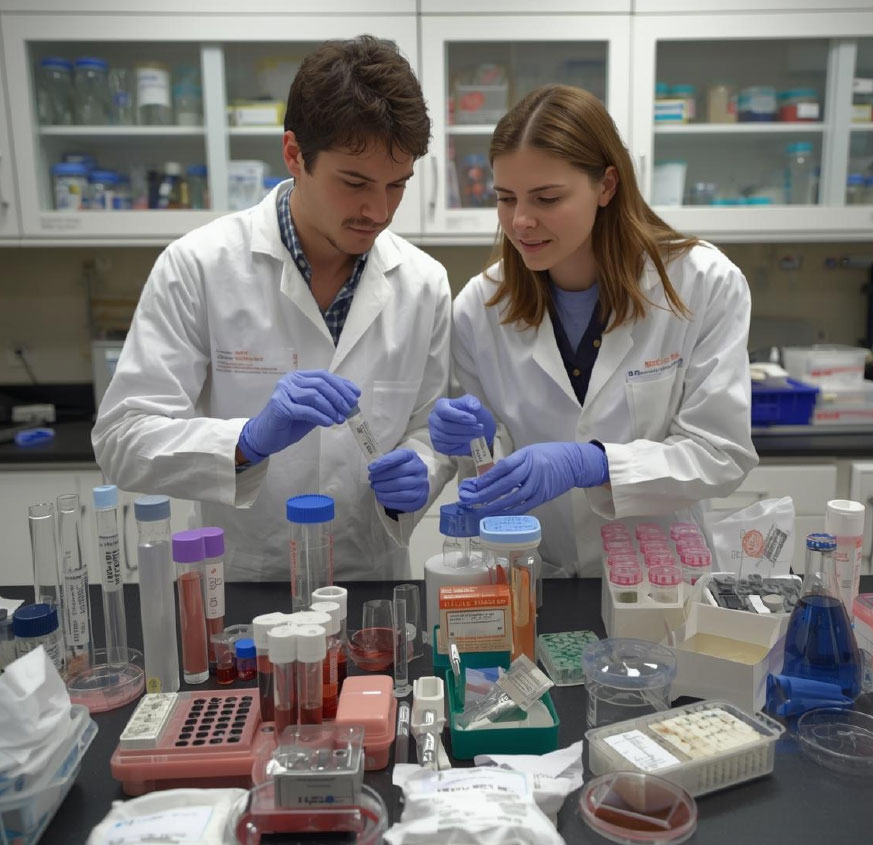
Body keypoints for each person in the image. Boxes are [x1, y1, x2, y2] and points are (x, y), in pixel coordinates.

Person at [93, 36, 454, 580]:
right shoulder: (199, 265)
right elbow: (122, 437)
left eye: (396, 185)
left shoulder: (424, 284)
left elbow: (430, 430)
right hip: (244, 590)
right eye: (354, 182)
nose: (377, 210)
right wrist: (244, 442)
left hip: (373, 591)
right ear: (293, 154)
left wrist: (423, 469)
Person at [429, 85, 758, 578]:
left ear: (606, 185)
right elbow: (489, 471)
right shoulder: (480, 306)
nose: (520, 221)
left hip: (659, 584)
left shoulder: (703, 284)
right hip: (539, 577)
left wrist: (596, 463)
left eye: (547, 197)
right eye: (506, 198)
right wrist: (474, 444)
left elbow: (721, 454)